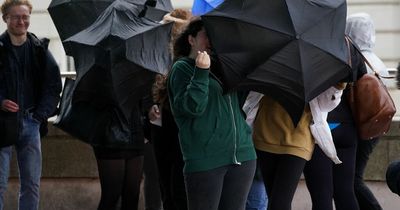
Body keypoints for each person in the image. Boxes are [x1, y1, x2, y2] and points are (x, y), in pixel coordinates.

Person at [167, 18, 257, 210]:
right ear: (191, 40)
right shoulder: (181, 68)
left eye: (214, 35)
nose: (211, 40)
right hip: (206, 160)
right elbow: (192, 107)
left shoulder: (223, 65)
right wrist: (201, 72)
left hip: (242, 155)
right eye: (206, 35)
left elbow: (239, 103)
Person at [0, 0, 62, 209]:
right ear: (5, 19)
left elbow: (54, 86)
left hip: (31, 123)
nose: (21, 21)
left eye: (25, 16)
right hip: (2, 124)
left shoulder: (39, 49)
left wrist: (39, 116)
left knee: (31, 185)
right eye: (16, 17)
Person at [253, 82, 344, 210]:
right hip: (265, 132)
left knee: (280, 202)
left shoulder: (316, 65)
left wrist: (337, 87)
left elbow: (325, 105)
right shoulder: (268, 62)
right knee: (274, 200)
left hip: (298, 138)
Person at [303, 34, 368, 210]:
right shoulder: (349, 44)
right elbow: (362, 79)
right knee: (345, 191)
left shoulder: (308, 43)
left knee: (322, 195)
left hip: (319, 128)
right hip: (347, 127)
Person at [147, 9, 191, 210]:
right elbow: (145, 98)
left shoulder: (189, 62)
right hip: (161, 132)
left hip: (182, 134)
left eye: (173, 31)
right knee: (167, 189)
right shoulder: (155, 59)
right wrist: (150, 110)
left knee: (180, 191)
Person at [346, 13, 386, 210]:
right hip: (373, 127)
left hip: (361, 127)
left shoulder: (356, 59)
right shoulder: (376, 61)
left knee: (353, 179)